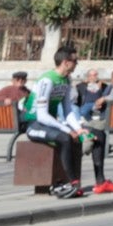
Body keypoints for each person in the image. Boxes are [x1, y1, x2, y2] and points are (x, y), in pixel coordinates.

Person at [21, 49, 89, 197]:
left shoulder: (66, 80)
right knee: (65, 137)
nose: (77, 64)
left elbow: (67, 110)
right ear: (66, 63)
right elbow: (42, 115)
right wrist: (66, 129)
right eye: (75, 61)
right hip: (34, 125)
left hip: (48, 124)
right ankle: (72, 183)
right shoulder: (47, 80)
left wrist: (78, 128)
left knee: (84, 136)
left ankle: (62, 183)